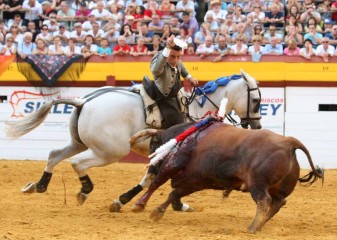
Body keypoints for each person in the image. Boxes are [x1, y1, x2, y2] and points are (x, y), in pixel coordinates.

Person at [149, 35, 198, 128]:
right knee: (178, 123)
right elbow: (155, 70)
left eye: (178, 57)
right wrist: (167, 49)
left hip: (174, 93)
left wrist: (189, 77)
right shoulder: (161, 57)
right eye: (172, 56)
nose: (175, 60)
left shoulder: (177, 59)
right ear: (167, 52)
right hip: (164, 95)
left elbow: (181, 66)